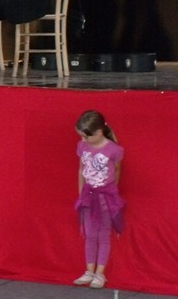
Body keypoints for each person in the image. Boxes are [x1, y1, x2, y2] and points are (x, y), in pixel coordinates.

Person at [73, 110, 125, 290]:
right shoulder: (83, 146)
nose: (83, 140)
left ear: (99, 132)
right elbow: (81, 170)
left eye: (86, 136)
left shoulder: (114, 150)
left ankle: (100, 273)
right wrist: (81, 193)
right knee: (90, 234)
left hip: (105, 197)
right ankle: (89, 271)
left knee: (103, 234)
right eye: (81, 136)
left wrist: (111, 192)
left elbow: (117, 171)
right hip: (88, 196)